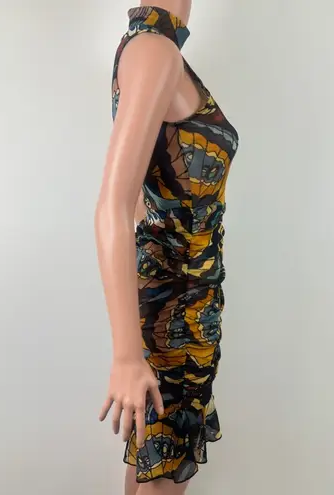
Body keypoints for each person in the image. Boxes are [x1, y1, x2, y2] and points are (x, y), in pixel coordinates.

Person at [94, 2, 239, 493]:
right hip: (178, 316)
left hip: (181, 302)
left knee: (152, 465)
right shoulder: (155, 51)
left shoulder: (149, 47)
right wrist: (126, 358)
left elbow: (143, 197)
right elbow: (113, 206)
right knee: (163, 474)